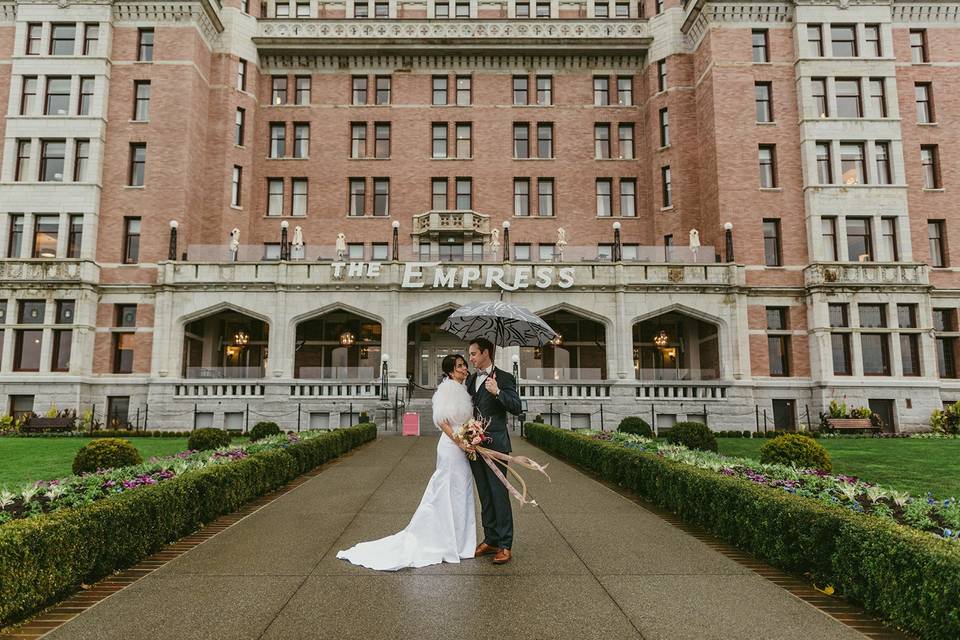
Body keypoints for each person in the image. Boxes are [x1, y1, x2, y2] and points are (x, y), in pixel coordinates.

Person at [336, 354, 476, 570]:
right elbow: (442, 421)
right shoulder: (446, 389)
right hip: (451, 447)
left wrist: (472, 436)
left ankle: (459, 540)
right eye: (459, 366)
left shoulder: (462, 389)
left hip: (462, 447)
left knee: (460, 492)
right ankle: (445, 540)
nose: (464, 368)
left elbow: (464, 420)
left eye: (464, 364)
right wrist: (460, 442)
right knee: (446, 491)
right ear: (449, 371)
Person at [466, 337, 522, 565]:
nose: (470, 358)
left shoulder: (505, 377)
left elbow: (516, 407)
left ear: (486, 353)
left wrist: (498, 391)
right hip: (474, 446)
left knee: (499, 494)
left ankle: (505, 545)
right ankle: (490, 539)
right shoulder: (470, 380)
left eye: (473, 354)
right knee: (485, 494)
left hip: (496, 445)